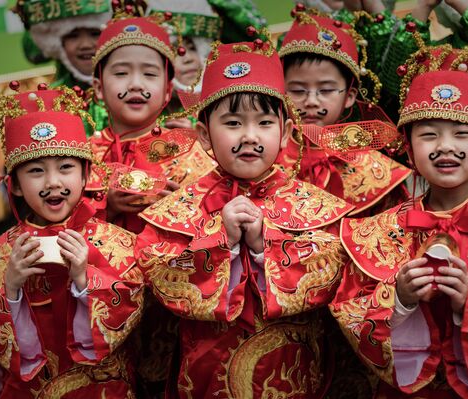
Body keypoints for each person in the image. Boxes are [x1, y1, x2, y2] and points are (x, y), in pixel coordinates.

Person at [135, 32, 353, 398]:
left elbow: (332, 274)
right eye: (233, 123)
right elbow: (159, 277)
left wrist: (263, 245)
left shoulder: (317, 206)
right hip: (205, 380)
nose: (250, 136)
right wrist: (221, 242)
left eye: (265, 123)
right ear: (204, 135)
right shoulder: (176, 211)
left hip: (294, 378)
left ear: (285, 133)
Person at [330, 40, 468, 398]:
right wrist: (398, 300)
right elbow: (351, 314)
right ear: (408, 146)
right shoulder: (373, 233)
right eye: (429, 134)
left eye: (462, 133)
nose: (445, 146)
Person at [0, 86, 144, 398]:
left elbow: (125, 322)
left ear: (85, 175)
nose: (53, 182)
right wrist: (10, 289)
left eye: (66, 167)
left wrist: (85, 278)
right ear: (13, 186)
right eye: (36, 171)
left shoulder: (119, 245)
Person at [87, 5, 215, 234]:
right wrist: (107, 206)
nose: (136, 84)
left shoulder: (185, 149)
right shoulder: (84, 156)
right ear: (98, 88)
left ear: (167, 90)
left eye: (149, 74)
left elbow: (215, 212)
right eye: (121, 73)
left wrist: (181, 205)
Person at [278, 7, 411, 215]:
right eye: (297, 90)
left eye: (326, 90)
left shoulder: (373, 169)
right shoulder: (265, 158)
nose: (311, 101)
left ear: (349, 96)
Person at [13, 0, 111, 134]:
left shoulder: (129, 90)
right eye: (73, 36)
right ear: (58, 43)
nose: (85, 45)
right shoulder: (50, 102)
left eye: (94, 33)